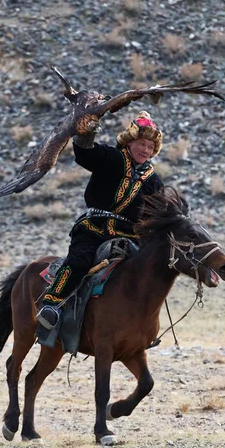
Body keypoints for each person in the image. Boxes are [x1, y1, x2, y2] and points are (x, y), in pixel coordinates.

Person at [36, 110, 164, 345]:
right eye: (141, 143)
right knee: (79, 261)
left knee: (148, 272)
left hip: (129, 236)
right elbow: (85, 154)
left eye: (149, 147)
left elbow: (159, 211)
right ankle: (52, 306)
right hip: (94, 227)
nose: (145, 150)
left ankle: (143, 324)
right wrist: (87, 129)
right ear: (130, 141)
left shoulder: (153, 180)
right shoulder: (112, 157)